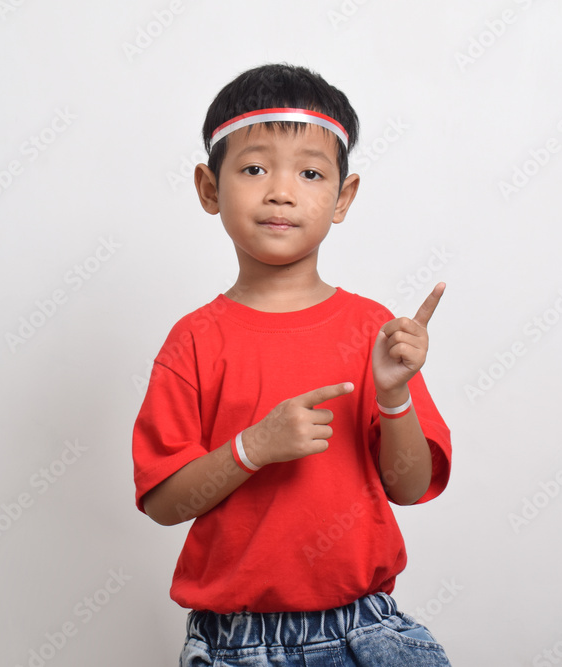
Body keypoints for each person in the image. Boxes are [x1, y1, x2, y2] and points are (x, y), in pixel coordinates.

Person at [132, 62, 453, 666]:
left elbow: (410, 487)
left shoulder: (371, 330)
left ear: (342, 197)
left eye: (310, 173)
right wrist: (252, 448)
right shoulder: (192, 342)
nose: (281, 192)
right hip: (236, 645)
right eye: (255, 169)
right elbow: (163, 503)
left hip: (365, 631)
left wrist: (394, 397)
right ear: (209, 188)